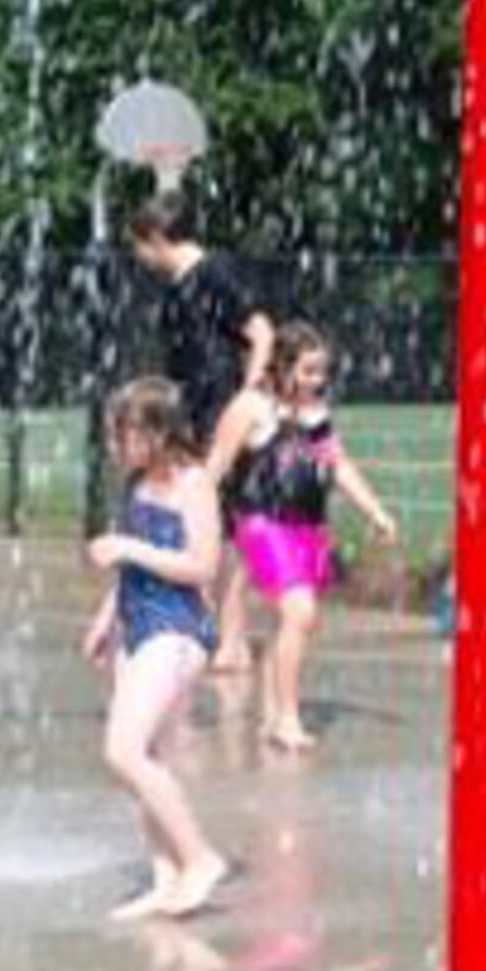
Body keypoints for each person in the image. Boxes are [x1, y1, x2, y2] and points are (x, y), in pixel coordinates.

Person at [201, 322, 398, 750]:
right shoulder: (251, 407)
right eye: (308, 371)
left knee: (288, 623)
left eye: (321, 371)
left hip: (307, 526)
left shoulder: (314, 412)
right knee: (299, 612)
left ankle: (272, 714)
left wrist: (375, 510)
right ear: (281, 365)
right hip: (261, 522)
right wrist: (191, 519)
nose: (316, 381)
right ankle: (288, 719)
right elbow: (215, 466)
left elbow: (339, 465)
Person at [83, 378, 236, 920]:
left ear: (159, 432)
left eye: (124, 433)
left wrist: (128, 547)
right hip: (136, 625)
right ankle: (165, 878)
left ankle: (200, 858)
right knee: (150, 757)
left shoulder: (195, 485)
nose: (115, 445)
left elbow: (203, 566)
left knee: (122, 751)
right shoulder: (137, 483)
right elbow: (132, 569)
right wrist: (107, 617)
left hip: (176, 628)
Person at [121, 195, 275, 671]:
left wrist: (245, 399)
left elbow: (262, 332)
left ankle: (234, 641)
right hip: (190, 412)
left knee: (226, 525)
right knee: (200, 519)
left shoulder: (215, 272)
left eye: (137, 246)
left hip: (219, 411)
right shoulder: (179, 283)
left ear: (156, 237)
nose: (137, 257)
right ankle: (207, 630)